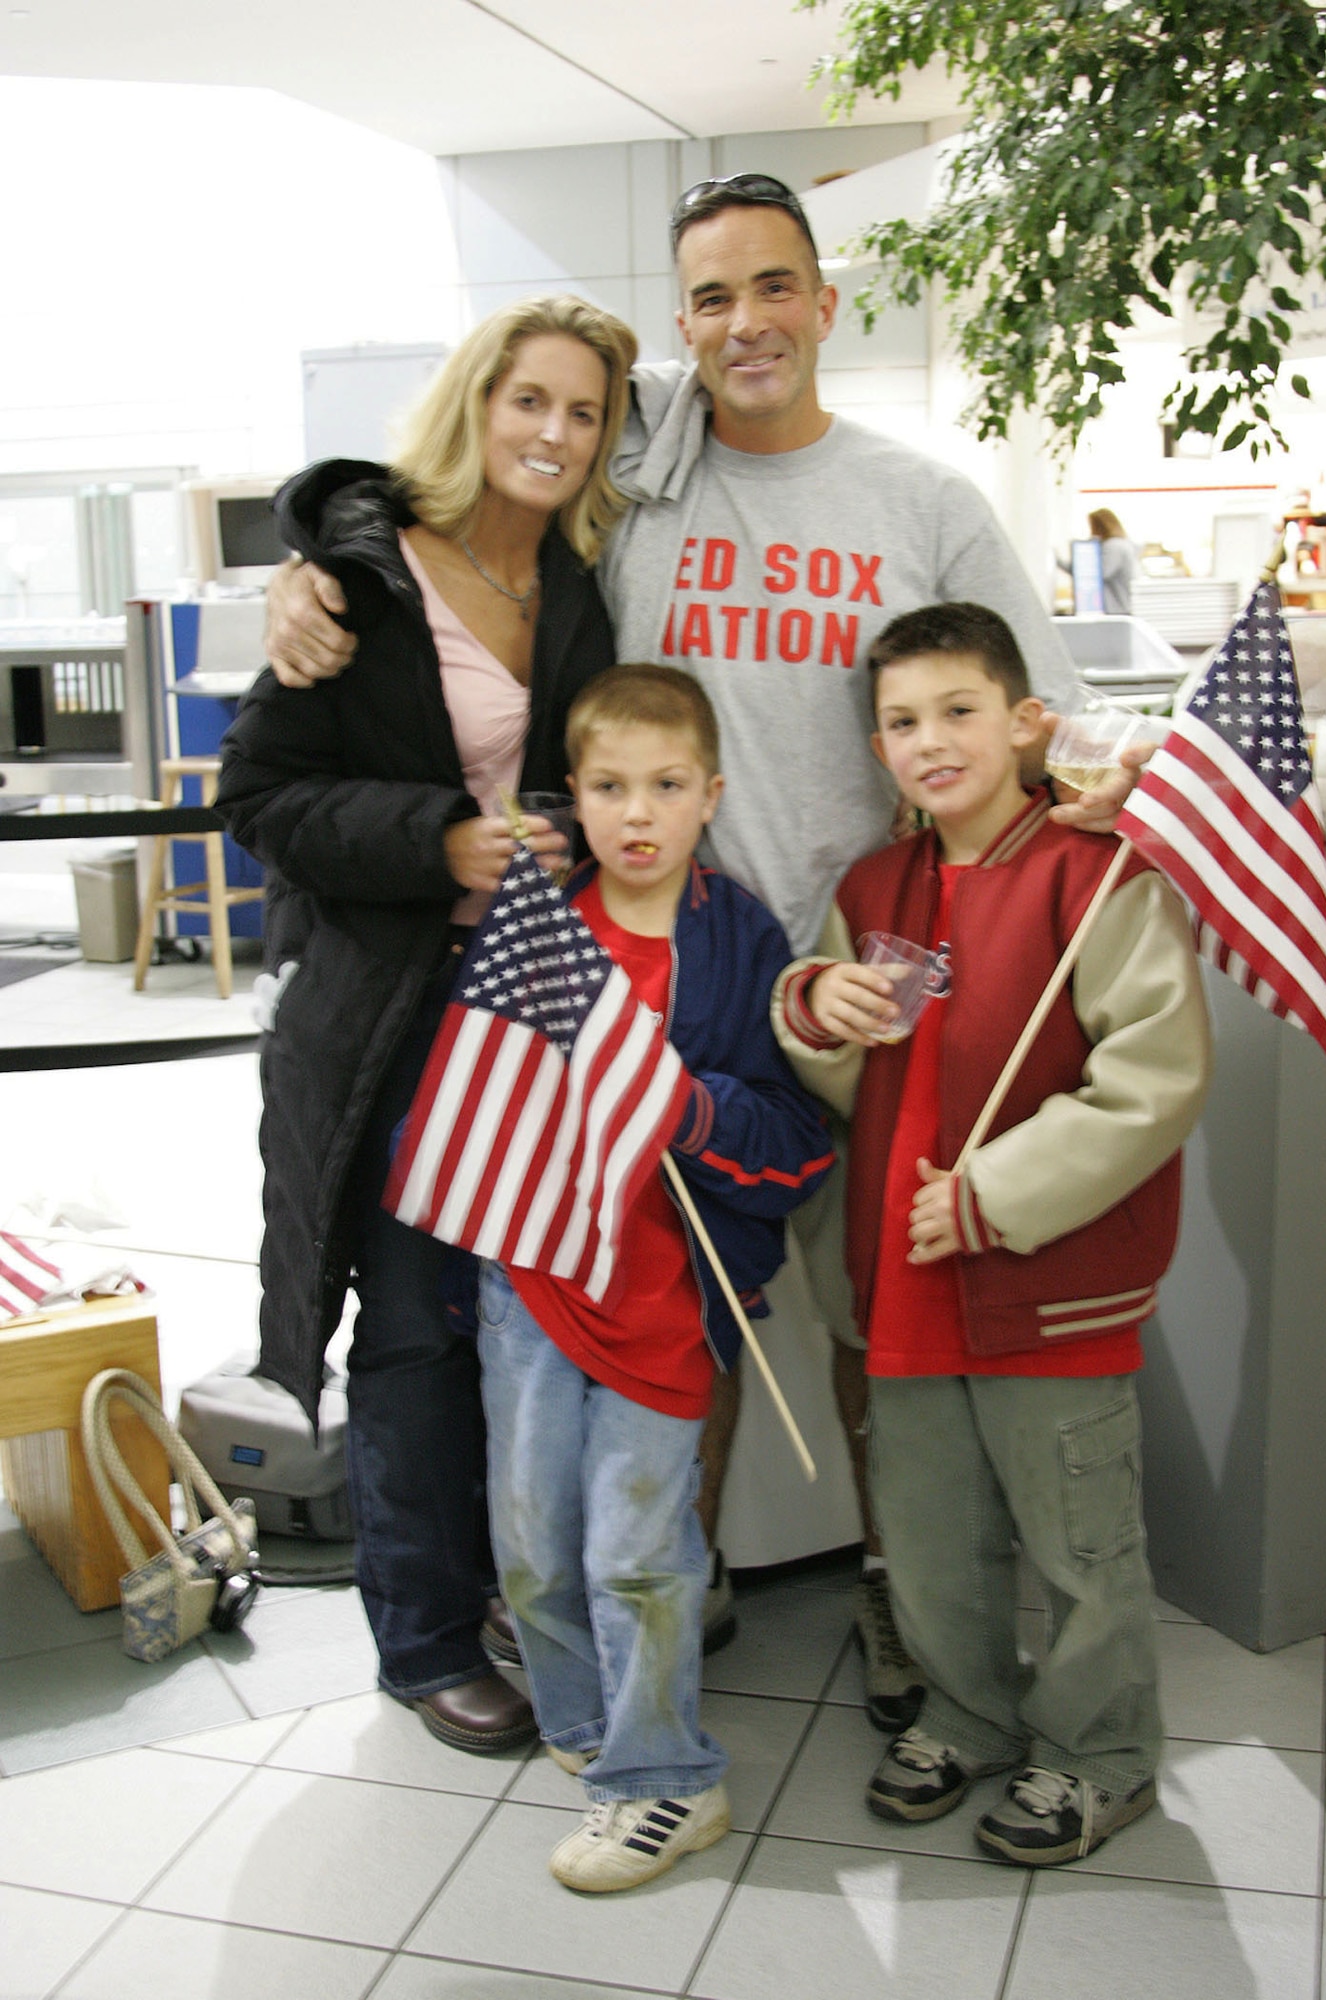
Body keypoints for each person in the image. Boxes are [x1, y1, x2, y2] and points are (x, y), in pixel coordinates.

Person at [258, 173, 1145, 1725]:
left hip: (876, 966)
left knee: (886, 1320)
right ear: (683, 327)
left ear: (827, 300)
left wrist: (1119, 782)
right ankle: (676, 1574)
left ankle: (900, 1593)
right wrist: (311, 556)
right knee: (673, 1287)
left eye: (776, 288)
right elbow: (451, 459)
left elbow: (1039, 709)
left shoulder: (921, 498)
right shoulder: (642, 470)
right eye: (715, 298)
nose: (749, 323)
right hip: (663, 970)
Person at [215, 294, 638, 1756]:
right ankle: (422, 1637)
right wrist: (438, 839)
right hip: (394, 1014)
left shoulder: (578, 583)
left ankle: (522, 1589)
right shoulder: (363, 576)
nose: (553, 432)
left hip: (535, 1006)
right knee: (408, 1329)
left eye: (582, 413)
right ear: (478, 401)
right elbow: (254, 799)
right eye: (530, 400)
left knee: (527, 1322)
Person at [775, 601, 1212, 1864]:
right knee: (929, 1530)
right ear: (877, 748)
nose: (931, 739)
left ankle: (1101, 1748)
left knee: (1079, 1538)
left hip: (1051, 1281)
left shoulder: (1102, 873)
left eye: (959, 709)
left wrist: (995, 1194)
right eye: (902, 721)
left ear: (1027, 721)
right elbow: (849, 1078)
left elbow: (1155, 1077)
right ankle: (967, 1710)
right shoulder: (870, 888)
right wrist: (815, 1007)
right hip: (903, 1287)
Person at [461, 663, 833, 1892]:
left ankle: (667, 1775)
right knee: (531, 1537)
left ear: (709, 794)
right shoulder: (540, 926)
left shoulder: (741, 940)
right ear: (574, 795)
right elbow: (477, 1106)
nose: (638, 812)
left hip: (669, 1295)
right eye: (611, 786)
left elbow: (792, 1134)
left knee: (637, 1544)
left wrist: (683, 1104)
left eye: (666, 786)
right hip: (533, 1277)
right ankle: (584, 1723)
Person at [1061, 508, 1140, 615]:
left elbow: (1098, 573)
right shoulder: (1122, 544)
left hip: (1114, 609)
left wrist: (1061, 562)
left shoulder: (1113, 546)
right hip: (1120, 608)